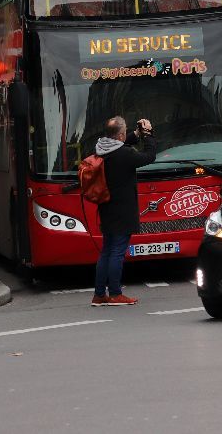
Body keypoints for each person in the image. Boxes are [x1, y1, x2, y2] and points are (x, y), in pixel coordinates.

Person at [91, 116, 158, 307]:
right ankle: (115, 293)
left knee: (106, 251)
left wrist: (135, 134)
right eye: (125, 132)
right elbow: (149, 156)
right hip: (123, 209)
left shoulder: (100, 148)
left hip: (106, 207)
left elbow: (117, 144)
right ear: (120, 134)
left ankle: (99, 294)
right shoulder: (125, 154)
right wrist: (149, 134)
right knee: (117, 252)